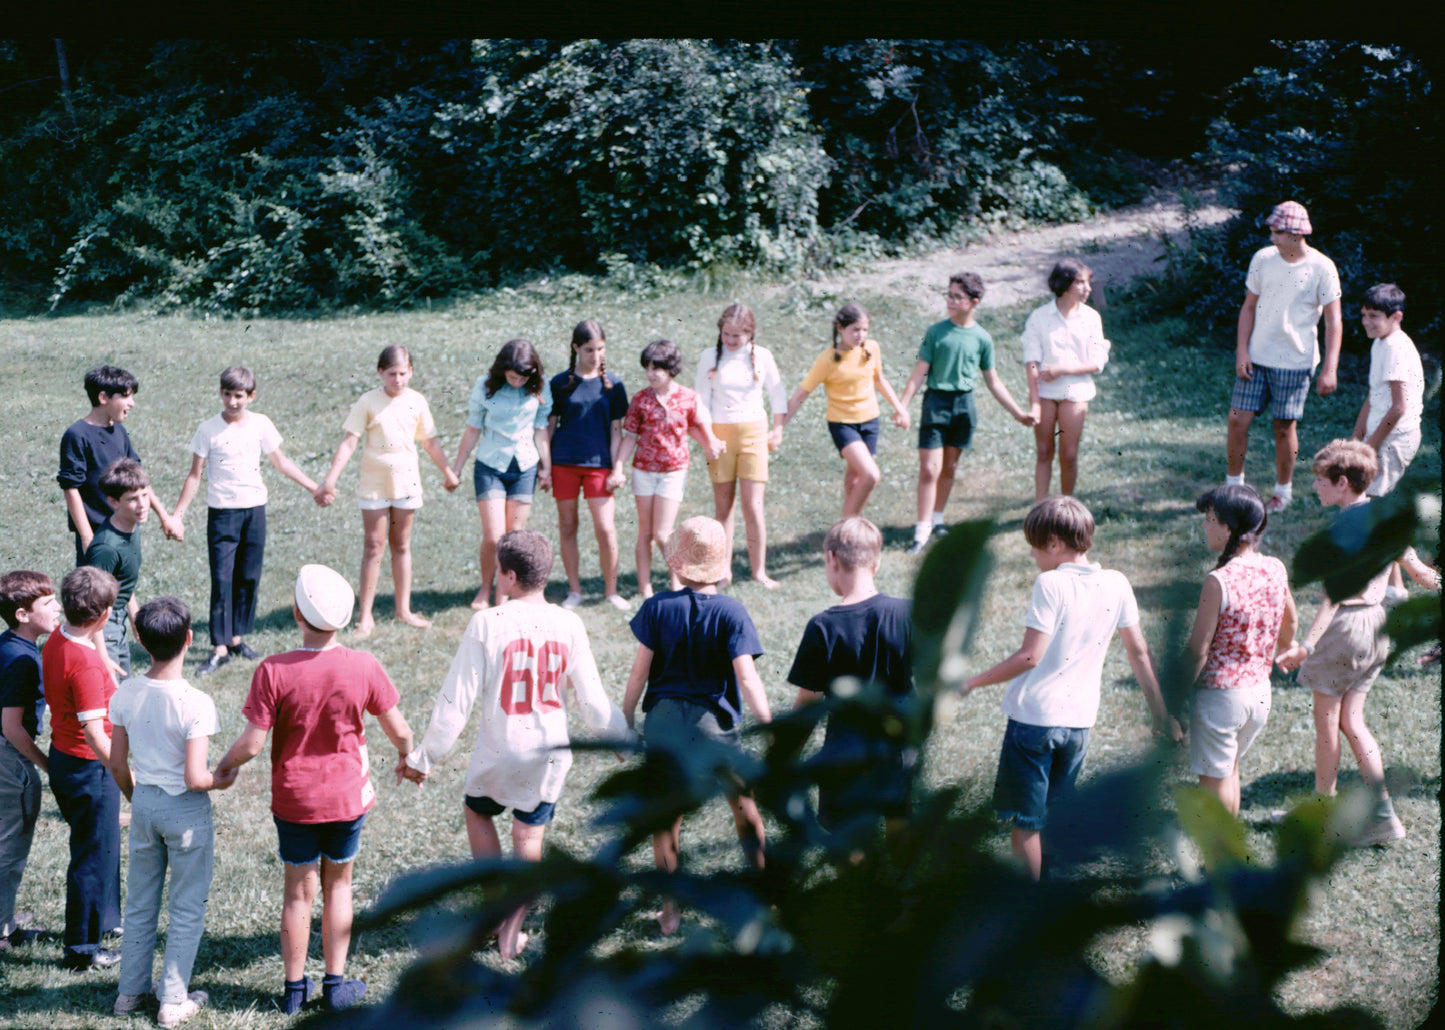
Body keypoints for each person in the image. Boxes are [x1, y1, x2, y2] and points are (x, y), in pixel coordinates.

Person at [400, 531, 633, 959]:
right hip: (548, 755)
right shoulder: (569, 623)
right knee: (529, 836)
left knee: (477, 811)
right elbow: (594, 703)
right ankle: (511, 930)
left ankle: (495, 909)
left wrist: (424, 757)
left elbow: (455, 703)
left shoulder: (487, 623)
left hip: (498, 750)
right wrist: (622, 740)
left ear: (508, 576)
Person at [213, 564, 414, 1013]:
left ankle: (293, 991)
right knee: (339, 886)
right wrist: (405, 754)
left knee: (297, 893)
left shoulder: (273, 669)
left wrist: (223, 766)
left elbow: (251, 742)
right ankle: (337, 985)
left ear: (296, 615)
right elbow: (399, 731)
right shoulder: (364, 665)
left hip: (295, 801)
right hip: (346, 799)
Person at [960, 497, 1177, 881]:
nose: (1032, 554)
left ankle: (1027, 903)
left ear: (1055, 543)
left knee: (1027, 822)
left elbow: (1030, 656)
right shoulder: (1117, 583)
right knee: (1057, 817)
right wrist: (1161, 712)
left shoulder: (1051, 583)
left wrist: (973, 682)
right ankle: (1053, 894)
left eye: (1035, 545)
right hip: (1079, 725)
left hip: (1034, 721)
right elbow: (1139, 651)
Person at [622, 517, 772, 934]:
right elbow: (747, 677)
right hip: (715, 726)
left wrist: (625, 717)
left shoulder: (656, 608)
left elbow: (638, 674)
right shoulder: (732, 611)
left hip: (665, 724)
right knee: (745, 810)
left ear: (677, 563)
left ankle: (670, 913)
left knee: (666, 820)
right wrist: (769, 722)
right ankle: (762, 896)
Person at [1276, 441, 1410, 845]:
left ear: (1343, 483)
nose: (1314, 486)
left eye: (1319, 480)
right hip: (1377, 628)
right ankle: (1385, 817)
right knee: (1352, 721)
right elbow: (1417, 568)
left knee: (1327, 723)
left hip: (1346, 630)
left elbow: (1333, 596)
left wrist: (1307, 646)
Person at [107, 597, 233, 1027]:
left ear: (139, 640)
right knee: (186, 906)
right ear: (190, 640)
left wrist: (134, 797)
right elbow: (196, 777)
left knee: (139, 903)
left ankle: (129, 992)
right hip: (186, 810)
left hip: (144, 802)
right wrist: (222, 780)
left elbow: (118, 763)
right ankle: (173, 998)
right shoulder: (195, 701)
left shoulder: (125, 692)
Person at [171, 365, 327, 676]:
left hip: (254, 509)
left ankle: (237, 638)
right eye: (227, 395)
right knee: (223, 577)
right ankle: (219, 647)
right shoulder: (208, 430)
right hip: (222, 512)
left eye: (239, 396)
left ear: (251, 396)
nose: (232, 402)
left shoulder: (261, 424)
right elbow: (195, 474)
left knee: (248, 576)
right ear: (220, 394)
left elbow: (280, 462)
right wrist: (177, 515)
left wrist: (314, 487)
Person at [319, 345, 460, 639]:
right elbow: (349, 442)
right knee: (373, 547)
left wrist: (448, 472)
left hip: (406, 484)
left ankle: (403, 610)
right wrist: (330, 479)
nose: (398, 379)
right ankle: (365, 617)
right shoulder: (368, 401)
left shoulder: (417, 401)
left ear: (411, 372)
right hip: (374, 486)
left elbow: (430, 442)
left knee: (402, 545)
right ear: (380, 373)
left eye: (403, 373)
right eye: (392, 374)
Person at [787, 518, 914, 842]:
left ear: (831, 558)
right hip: (897, 748)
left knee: (849, 837)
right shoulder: (907, 613)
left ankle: (857, 889)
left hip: (845, 752)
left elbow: (807, 703)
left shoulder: (823, 627)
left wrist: (786, 754)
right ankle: (905, 889)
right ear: (877, 561)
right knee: (899, 819)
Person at [898, 272, 1035, 555]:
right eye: (948, 295)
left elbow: (993, 381)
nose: (949, 301)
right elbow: (919, 372)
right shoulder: (936, 332)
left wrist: (1018, 413)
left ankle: (938, 519)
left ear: (974, 302)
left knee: (949, 468)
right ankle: (920, 531)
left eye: (956, 297)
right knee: (929, 469)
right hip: (936, 403)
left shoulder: (982, 338)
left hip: (964, 406)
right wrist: (902, 407)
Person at [1181, 486, 1297, 817]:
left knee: (1213, 787)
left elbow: (1197, 651)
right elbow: (1291, 619)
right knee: (1228, 770)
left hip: (1221, 700)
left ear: (1230, 528)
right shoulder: (1275, 567)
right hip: (1259, 693)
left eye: (1211, 519)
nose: (1205, 526)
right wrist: (1287, 647)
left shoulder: (1218, 581)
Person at [1225, 200, 1343, 513]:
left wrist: (1329, 368)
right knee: (1237, 420)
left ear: (1295, 234)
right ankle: (1233, 487)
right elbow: (1248, 307)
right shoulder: (1263, 259)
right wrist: (1242, 350)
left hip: (1295, 361)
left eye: (1277, 232)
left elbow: (1334, 321)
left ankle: (1282, 491)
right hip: (1257, 357)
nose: (1272, 238)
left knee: (1283, 426)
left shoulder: (1322, 267)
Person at [41, 565, 124, 970]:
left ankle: (104, 921)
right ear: (104, 615)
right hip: (90, 767)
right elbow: (94, 732)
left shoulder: (58, 638)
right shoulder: (86, 664)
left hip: (64, 758)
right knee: (92, 858)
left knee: (98, 850)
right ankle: (81, 950)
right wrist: (125, 777)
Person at [611, 339, 725, 599]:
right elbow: (630, 437)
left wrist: (712, 444)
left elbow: (698, 426)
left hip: (673, 471)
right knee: (646, 531)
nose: (651, 374)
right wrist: (618, 467)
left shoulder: (688, 397)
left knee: (663, 532)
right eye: (648, 368)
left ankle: (678, 582)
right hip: (644, 470)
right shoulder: (640, 400)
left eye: (657, 368)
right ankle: (645, 587)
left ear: (671, 368)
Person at [453, 339, 553, 611]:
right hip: (490, 466)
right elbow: (473, 428)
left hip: (524, 466)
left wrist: (547, 467)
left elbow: (541, 429)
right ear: (502, 370)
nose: (518, 382)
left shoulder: (540, 387)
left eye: (523, 377)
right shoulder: (485, 386)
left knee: (514, 536)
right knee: (494, 537)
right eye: (512, 377)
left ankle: (504, 597)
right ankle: (486, 589)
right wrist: (457, 468)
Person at [783, 304, 910, 518]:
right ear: (840, 328)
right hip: (843, 424)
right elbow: (801, 394)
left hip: (870, 421)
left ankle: (850, 527)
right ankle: (847, 526)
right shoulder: (827, 359)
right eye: (855, 329)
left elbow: (879, 379)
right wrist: (779, 426)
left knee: (855, 478)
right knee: (871, 475)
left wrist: (900, 408)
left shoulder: (871, 349)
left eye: (865, 330)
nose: (861, 335)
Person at [695, 303, 787, 588]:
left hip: (754, 434)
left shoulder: (762, 357)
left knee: (753, 506)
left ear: (750, 334)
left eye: (738, 336)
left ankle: (759, 571)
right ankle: (723, 570)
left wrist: (778, 429)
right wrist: (708, 438)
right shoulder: (709, 357)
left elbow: (778, 393)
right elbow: (700, 402)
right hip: (720, 436)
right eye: (726, 334)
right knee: (723, 508)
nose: (731, 340)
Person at [1349, 283, 1428, 604]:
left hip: (1396, 438)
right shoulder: (1380, 342)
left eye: (1374, 316)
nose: (1367, 322)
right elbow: (1374, 395)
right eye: (1364, 315)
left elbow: (1398, 407)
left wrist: (1371, 446)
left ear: (1396, 317)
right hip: (1379, 434)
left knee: (1374, 509)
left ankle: (1399, 583)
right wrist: (1358, 435)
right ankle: (1395, 588)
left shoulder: (1396, 347)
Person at [58, 365, 182, 563]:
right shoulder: (77, 435)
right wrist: (87, 536)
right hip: (97, 533)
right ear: (103, 398)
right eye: (125, 396)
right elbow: (71, 489)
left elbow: (138, 481)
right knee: (96, 591)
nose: (131, 403)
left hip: (125, 527)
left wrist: (164, 516)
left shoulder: (120, 433)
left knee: (124, 587)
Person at [547, 321, 631, 611]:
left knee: (605, 528)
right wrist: (545, 467)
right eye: (588, 350)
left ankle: (611, 591)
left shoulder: (614, 386)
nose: (595, 355)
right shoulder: (559, 384)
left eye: (600, 349)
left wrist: (617, 469)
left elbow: (617, 432)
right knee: (568, 526)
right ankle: (575, 590)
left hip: (599, 465)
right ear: (575, 349)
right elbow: (549, 427)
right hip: (564, 463)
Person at [0, 570, 61, 954]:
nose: (57, 607)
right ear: (23, 615)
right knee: (10, 847)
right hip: (10, 761)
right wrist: (45, 766)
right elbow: (11, 727)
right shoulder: (22, 661)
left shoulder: (9, 646)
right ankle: (3, 932)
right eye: (47, 603)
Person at [1022, 259, 1111, 502]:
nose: (1087, 288)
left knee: (1069, 455)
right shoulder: (1039, 318)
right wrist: (1035, 404)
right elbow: (1031, 363)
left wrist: (1063, 369)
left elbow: (1097, 362)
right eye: (1080, 282)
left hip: (1076, 392)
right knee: (1044, 452)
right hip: (1045, 394)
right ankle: (1040, 507)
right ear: (1063, 284)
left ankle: (1065, 506)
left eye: (1088, 283)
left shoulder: (1091, 318)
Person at [81, 458, 152, 678]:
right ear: (113, 502)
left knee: (123, 690)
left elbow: (121, 582)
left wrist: (136, 623)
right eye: (132, 499)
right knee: (112, 691)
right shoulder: (106, 548)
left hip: (117, 617)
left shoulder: (132, 525)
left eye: (145, 495)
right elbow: (91, 606)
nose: (142, 505)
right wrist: (103, 657)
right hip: (103, 626)